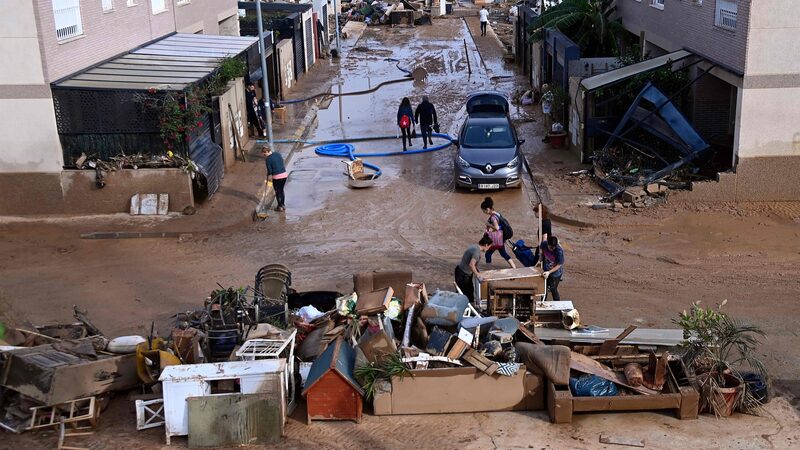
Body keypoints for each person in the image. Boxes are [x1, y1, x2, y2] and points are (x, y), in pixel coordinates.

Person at [455, 234, 493, 304]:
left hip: (460, 271)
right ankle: (469, 312)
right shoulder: (476, 253)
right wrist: (478, 275)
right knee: (467, 297)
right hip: (463, 275)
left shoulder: (474, 247)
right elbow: (471, 265)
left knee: (462, 294)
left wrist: (477, 271)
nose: (488, 249)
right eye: (489, 247)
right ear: (486, 245)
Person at [480, 197, 517, 269]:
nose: (483, 212)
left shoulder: (493, 217)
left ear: (487, 209)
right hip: (500, 239)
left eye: (483, 211)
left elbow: (497, 228)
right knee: (503, 253)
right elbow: (500, 227)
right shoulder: (497, 214)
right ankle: (514, 267)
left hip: (495, 240)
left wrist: (488, 224)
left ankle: (489, 270)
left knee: (488, 254)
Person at [262, 146, 288, 212]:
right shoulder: (277, 154)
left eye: (264, 154)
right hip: (284, 175)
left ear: (267, 152)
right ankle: (283, 205)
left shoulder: (268, 159)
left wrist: (268, 174)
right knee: (281, 190)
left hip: (277, 177)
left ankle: (280, 207)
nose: (264, 156)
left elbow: (270, 171)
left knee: (277, 191)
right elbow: (281, 162)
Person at [540, 236, 565, 301]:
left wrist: (549, 272)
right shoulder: (544, 244)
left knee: (553, 289)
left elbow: (559, 265)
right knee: (543, 289)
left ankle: (557, 304)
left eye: (554, 247)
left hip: (555, 273)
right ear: (547, 244)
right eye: (551, 247)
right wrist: (541, 256)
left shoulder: (559, 251)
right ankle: (543, 303)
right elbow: (541, 250)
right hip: (546, 270)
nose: (552, 249)